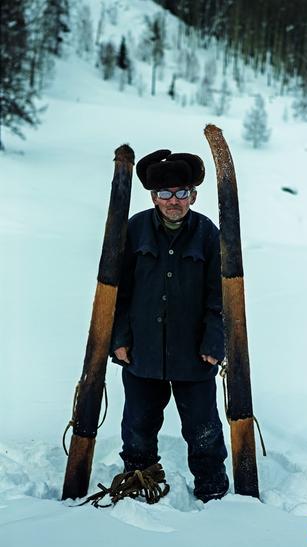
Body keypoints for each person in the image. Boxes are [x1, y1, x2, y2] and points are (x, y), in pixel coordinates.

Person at [109, 149, 229, 503]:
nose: (173, 201)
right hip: (141, 351)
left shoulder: (208, 234)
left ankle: (212, 488)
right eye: (165, 194)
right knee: (138, 425)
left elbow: (219, 298)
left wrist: (214, 344)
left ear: (193, 194)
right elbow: (117, 292)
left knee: (203, 428)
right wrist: (119, 339)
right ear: (153, 196)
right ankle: (139, 478)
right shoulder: (134, 229)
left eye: (181, 193)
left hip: (195, 354)